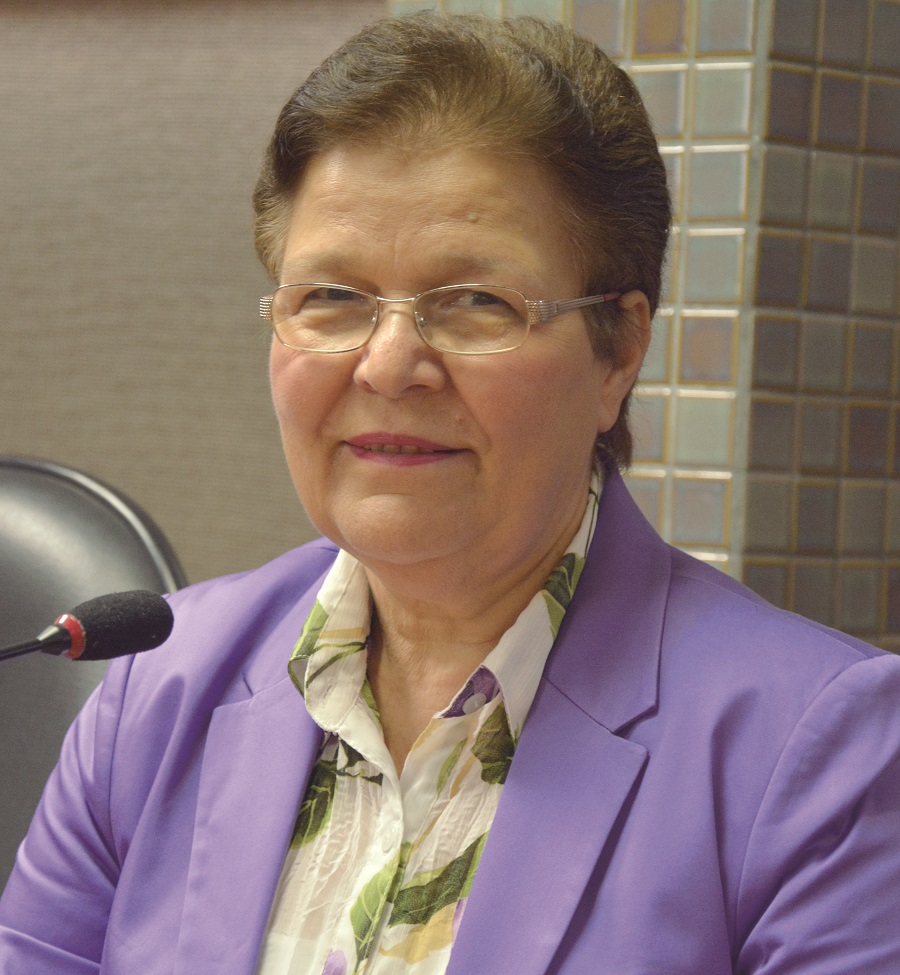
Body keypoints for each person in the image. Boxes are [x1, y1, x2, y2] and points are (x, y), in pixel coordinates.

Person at [1, 13, 898, 975]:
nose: (389, 366)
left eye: (476, 302)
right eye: (331, 297)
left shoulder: (823, 755)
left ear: (618, 352)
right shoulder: (156, 689)